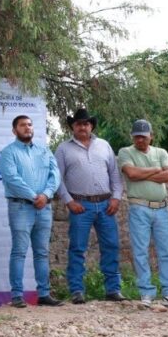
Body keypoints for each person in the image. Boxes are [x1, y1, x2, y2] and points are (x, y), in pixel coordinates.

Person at [54, 108, 126, 304]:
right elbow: (57, 179)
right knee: (77, 248)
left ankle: (113, 289)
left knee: (111, 246)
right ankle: (77, 290)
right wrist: (69, 201)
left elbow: (115, 175)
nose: (82, 127)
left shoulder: (104, 145)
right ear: (72, 126)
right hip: (80, 206)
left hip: (106, 204)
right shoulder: (63, 149)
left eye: (86, 123)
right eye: (78, 124)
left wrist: (116, 198)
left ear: (91, 126)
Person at [117, 120, 168, 311]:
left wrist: (143, 174)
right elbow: (131, 173)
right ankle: (146, 293)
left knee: (166, 251)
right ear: (132, 137)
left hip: (161, 208)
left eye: (143, 136)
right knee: (140, 251)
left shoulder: (161, 152)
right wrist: (156, 170)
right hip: (139, 207)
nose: (140, 139)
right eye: (136, 136)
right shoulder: (125, 152)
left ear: (151, 136)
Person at [0, 115, 62, 308]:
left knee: (42, 252)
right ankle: (17, 295)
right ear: (14, 130)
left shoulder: (44, 151)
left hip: (44, 208)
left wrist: (47, 194)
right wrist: (35, 197)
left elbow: (55, 174)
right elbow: (12, 179)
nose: (27, 128)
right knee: (19, 252)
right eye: (22, 125)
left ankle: (44, 294)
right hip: (21, 207)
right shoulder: (8, 153)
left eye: (29, 124)